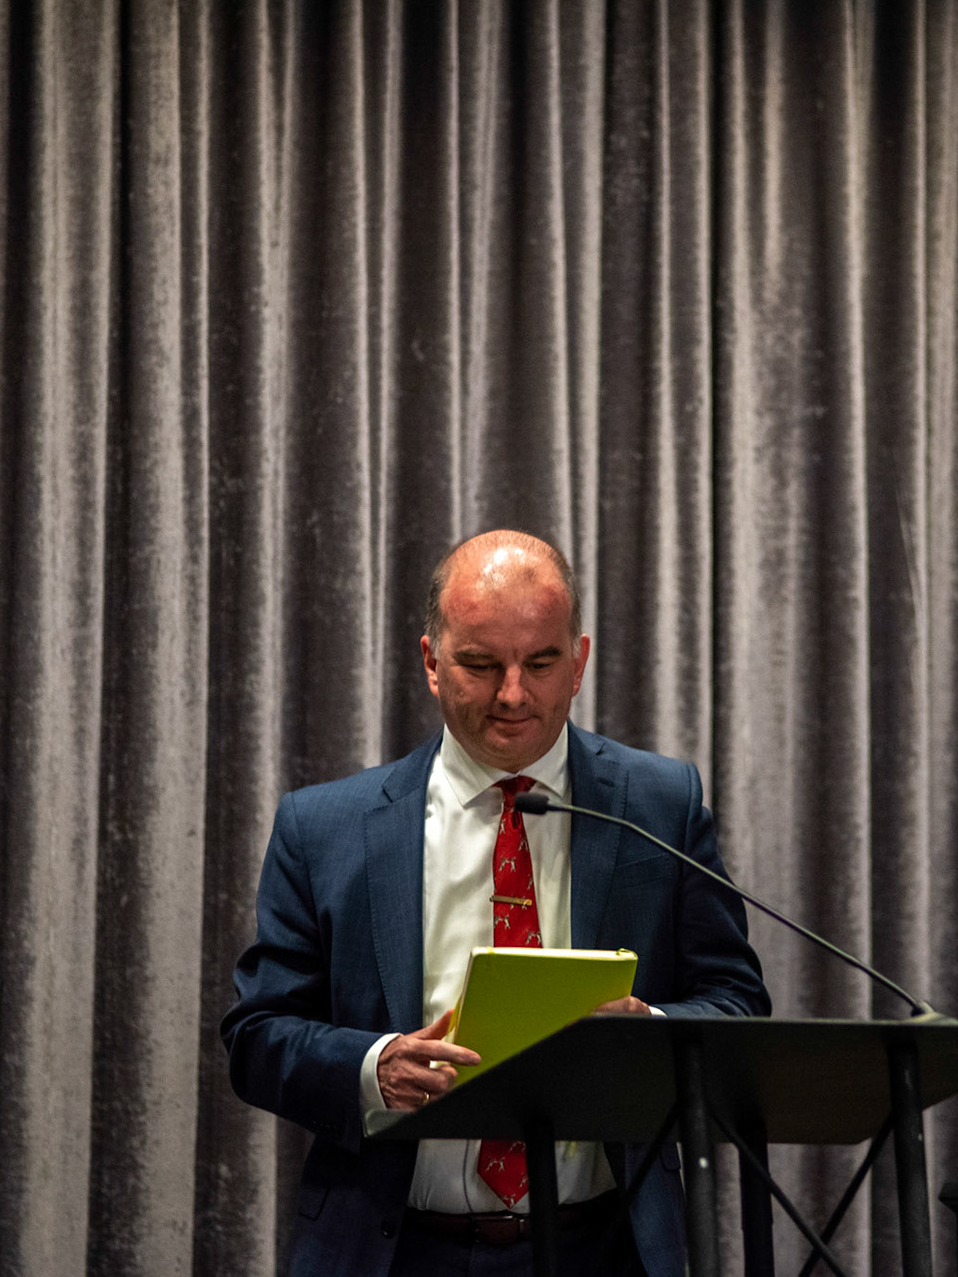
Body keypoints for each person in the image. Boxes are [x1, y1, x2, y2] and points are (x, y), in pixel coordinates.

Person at [222, 529, 769, 1276]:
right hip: (393, 1248)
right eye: (480, 665)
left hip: (607, 1248)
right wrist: (371, 1066)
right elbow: (256, 1036)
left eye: (540, 663)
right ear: (431, 663)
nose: (513, 694)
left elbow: (738, 1006)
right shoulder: (324, 829)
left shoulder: (658, 805)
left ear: (577, 663)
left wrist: (653, 1032)